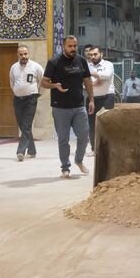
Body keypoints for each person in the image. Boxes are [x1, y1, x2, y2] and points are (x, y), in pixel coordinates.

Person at [42, 35, 94, 179]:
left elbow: (87, 81)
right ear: (63, 46)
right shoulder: (54, 62)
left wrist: (91, 100)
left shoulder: (81, 61)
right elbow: (43, 82)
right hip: (60, 107)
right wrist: (55, 85)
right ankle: (65, 167)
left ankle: (79, 160)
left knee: (84, 135)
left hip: (79, 106)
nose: (73, 49)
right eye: (70, 46)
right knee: (63, 139)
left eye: (75, 46)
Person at [10, 45, 43, 162]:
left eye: (25, 54)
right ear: (17, 55)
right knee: (22, 125)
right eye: (21, 54)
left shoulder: (36, 67)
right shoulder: (14, 67)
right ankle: (32, 151)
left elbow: (42, 81)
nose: (23, 56)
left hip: (31, 99)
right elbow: (12, 81)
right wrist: (16, 91)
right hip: (18, 99)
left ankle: (20, 151)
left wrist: (38, 93)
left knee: (26, 126)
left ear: (29, 54)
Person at [86, 46, 115, 157]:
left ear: (101, 54)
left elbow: (106, 75)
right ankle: (94, 149)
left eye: (95, 54)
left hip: (107, 97)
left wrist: (92, 76)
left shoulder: (108, 64)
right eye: (90, 55)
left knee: (108, 123)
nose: (93, 57)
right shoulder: (87, 66)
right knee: (92, 124)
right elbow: (84, 82)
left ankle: (110, 148)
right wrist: (97, 81)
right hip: (92, 99)